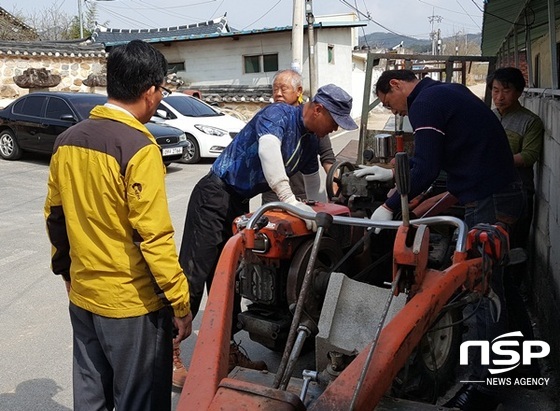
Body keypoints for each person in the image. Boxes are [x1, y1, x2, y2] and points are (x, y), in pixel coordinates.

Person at [356, 69, 524, 410]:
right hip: (501, 191)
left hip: (489, 199)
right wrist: (397, 178)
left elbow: (427, 168)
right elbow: (461, 162)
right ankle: (523, 362)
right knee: (498, 284)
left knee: (480, 291)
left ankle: (483, 392)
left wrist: (388, 206)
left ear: (396, 85)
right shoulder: (446, 92)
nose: (397, 114)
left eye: (390, 105)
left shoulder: (424, 103)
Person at [44, 40, 192, 410]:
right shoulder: (139, 148)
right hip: (130, 305)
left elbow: (55, 218)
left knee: (91, 394)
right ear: (149, 91)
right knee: (139, 399)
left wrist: (67, 275)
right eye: (162, 89)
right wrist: (180, 302)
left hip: (83, 296)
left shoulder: (67, 142)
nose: (160, 98)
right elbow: (153, 236)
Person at [177, 83, 358, 381]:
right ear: (318, 109)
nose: (333, 128)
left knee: (230, 277)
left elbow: (313, 182)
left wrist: (319, 213)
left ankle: (228, 350)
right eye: (334, 121)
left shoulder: (310, 138)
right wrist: (288, 199)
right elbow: (268, 150)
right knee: (195, 274)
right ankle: (171, 351)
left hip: (238, 200)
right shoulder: (278, 115)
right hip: (213, 194)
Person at [487, 67, 544, 378]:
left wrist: (492, 159)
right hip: (493, 200)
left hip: (519, 201)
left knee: (509, 275)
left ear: (519, 92)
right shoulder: (490, 117)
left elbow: (530, 155)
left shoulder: (529, 121)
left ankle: (524, 361)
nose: (499, 97)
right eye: (495, 90)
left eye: (505, 91)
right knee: (498, 276)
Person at [261, 69, 336, 203]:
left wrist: (336, 188)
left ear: (299, 91)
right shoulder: (270, 119)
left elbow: (327, 156)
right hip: (273, 195)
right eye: (275, 89)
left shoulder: (313, 121)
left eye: (283, 89)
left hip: (304, 192)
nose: (278, 94)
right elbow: (266, 147)